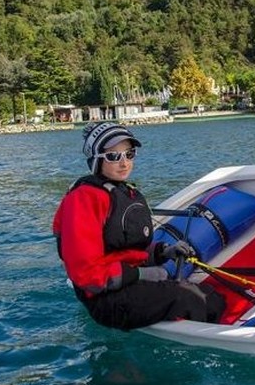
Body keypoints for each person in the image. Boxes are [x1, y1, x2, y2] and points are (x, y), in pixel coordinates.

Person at [53, 121, 225, 330]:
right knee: (194, 299)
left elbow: (124, 247)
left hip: (129, 282)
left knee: (210, 294)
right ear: (96, 160)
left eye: (129, 154)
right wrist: (143, 274)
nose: (124, 163)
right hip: (107, 300)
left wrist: (163, 252)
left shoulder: (124, 192)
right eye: (113, 156)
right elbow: (88, 275)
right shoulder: (83, 200)